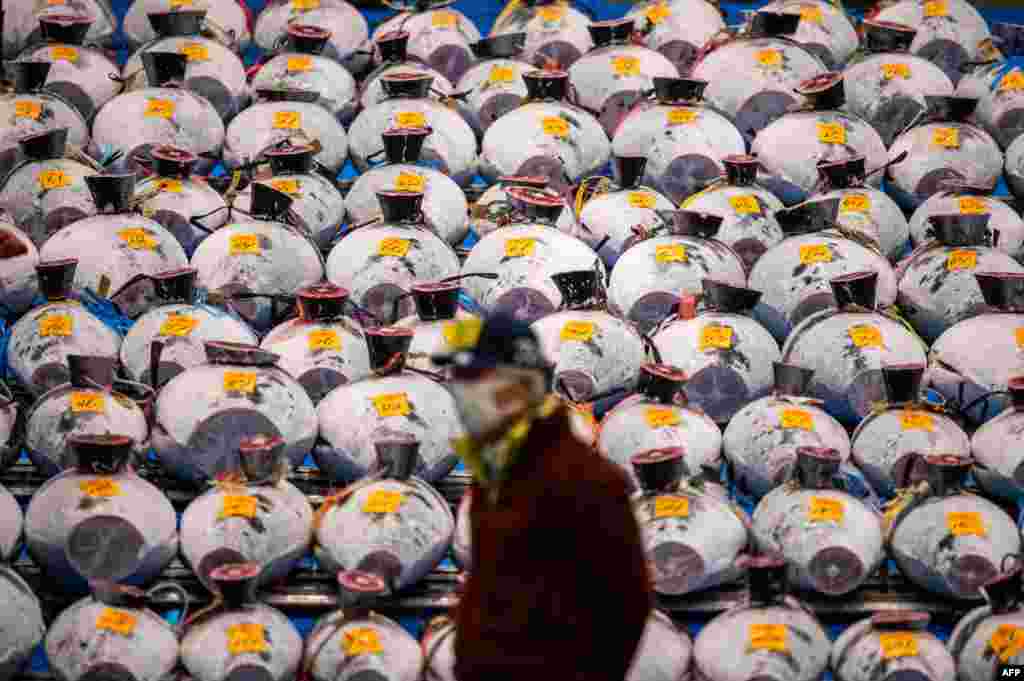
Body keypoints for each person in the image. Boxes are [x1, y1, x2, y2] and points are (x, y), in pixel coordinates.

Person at [435, 313, 652, 681]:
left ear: (515, 389)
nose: (461, 397)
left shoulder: (587, 482)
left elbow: (626, 605)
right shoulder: (497, 476)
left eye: (473, 383)